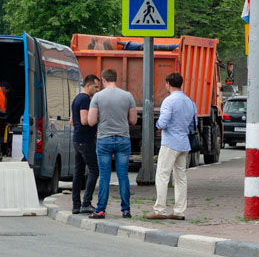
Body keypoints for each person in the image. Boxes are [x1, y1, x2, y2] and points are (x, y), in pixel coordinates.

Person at [86, 67, 138, 219]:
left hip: (104, 139)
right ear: (116, 78)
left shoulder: (97, 97)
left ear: (103, 79)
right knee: (123, 175)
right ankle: (126, 210)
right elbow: (133, 120)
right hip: (123, 139)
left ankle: (101, 209)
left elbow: (91, 121)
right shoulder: (128, 96)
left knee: (104, 176)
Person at [148, 72, 196, 220]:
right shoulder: (189, 102)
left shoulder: (169, 101)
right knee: (180, 177)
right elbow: (193, 123)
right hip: (184, 143)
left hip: (170, 143)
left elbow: (163, 122)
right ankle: (179, 211)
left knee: (162, 174)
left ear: (168, 83)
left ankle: (160, 209)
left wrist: (157, 125)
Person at [70, 75, 101, 214]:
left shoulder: (76, 98)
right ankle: (86, 203)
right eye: (95, 87)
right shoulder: (84, 99)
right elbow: (84, 120)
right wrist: (97, 118)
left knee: (78, 173)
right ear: (88, 86)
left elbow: (72, 121)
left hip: (77, 139)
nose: (97, 90)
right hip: (85, 140)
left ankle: (76, 205)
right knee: (95, 170)